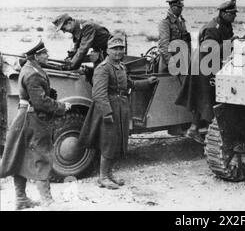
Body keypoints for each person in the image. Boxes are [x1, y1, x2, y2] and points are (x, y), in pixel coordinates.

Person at [79, 34, 158, 189]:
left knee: (118, 142)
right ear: (108, 51)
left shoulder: (121, 67)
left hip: (121, 107)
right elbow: (99, 94)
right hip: (109, 108)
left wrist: (147, 82)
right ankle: (103, 177)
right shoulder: (103, 68)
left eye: (121, 49)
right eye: (114, 49)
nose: (118, 52)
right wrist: (107, 113)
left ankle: (109, 174)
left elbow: (131, 84)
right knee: (108, 143)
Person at [0, 40, 71, 210]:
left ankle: (21, 198)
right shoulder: (33, 74)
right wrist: (62, 106)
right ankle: (47, 201)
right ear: (36, 56)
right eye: (44, 53)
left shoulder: (29, 68)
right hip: (35, 118)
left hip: (25, 116)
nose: (48, 55)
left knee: (20, 158)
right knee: (42, 156)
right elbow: (40, 102)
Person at [175, 0, 240, 144]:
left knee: (205, 99)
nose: (234, 16)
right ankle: (211, 133)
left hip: (210, 65)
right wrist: (231, 42)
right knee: (206, 98)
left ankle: (194, 129)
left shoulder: (224, 24)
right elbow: (210, 50)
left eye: (235, 14)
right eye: (232, 14)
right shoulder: (212, 28)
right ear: (223, 13)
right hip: (203, 67)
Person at [157, 0, 191, 73]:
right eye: (179, 7)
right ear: (172, 7)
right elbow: (164, 46)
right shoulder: (165, 23)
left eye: (181, 7)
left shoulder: (181, 22)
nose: (181, 9)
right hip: (169, 65)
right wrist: (171, 63)